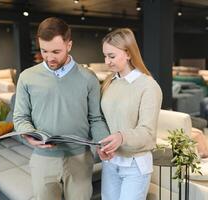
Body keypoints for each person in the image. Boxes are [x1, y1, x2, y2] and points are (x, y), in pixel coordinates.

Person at [13, 17, 109, 200]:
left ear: (69, 45)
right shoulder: (27, 77)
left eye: (56, 51)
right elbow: (20, 117)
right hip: (43, 159)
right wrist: (28, 134)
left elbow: (95, 119)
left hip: (80, 159)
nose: (49, 58)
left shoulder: (88, 78)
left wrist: (101, 145)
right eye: (44, 51)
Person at [97, 28, 163, 200]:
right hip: (111, 162)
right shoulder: (109, 82)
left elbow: (147, 132)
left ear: (128, 53)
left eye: (112, 56)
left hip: (135, 166)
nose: (107, 61)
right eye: (105, 56)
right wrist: (102, 144)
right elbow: (104, 120)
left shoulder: (148, 86)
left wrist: (122, 137)